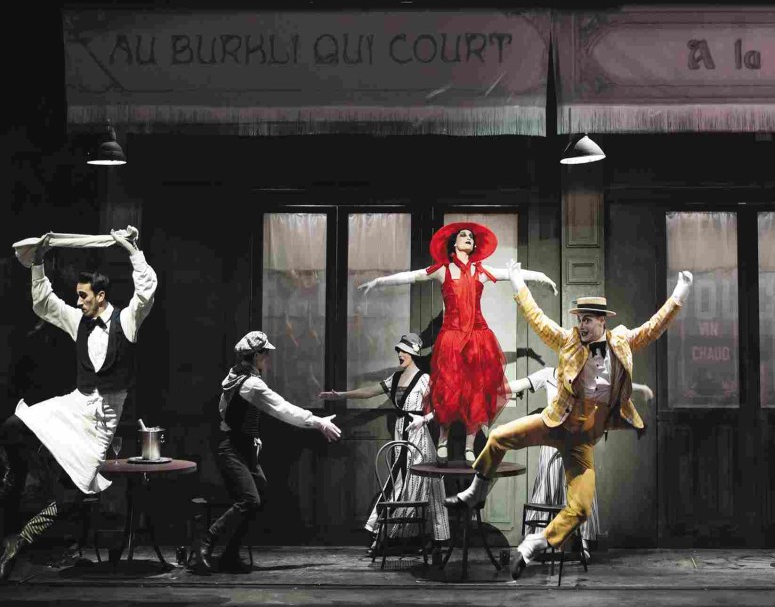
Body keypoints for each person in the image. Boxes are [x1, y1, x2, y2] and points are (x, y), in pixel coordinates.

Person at [446, 261, 693, 580]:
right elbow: (538, 320)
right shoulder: (569, 341)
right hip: (556, 424)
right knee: (498, 437)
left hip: (583, 440)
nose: (582, 325)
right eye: (579, 319)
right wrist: (518, 281)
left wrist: (681, 290)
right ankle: (476, 492)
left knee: (581, 508)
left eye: (587, 319)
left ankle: (534, 544)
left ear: (602, 321)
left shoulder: (621, 342)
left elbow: (654, 327)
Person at [0, 227, 157, 580]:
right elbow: (45, 304)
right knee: (12, 427)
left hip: (101, 424)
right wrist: (38, 263)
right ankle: (19, 477)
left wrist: (133, 251)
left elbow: (146, 291)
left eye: (84, 296)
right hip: (74, 405)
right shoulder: (78, 321)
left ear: (101, 296)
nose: (78, 302)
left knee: (73, 497)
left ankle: (18, 542)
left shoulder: (127, 321)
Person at [358, 222, 557, 465]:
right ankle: (443, 440)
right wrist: (379, 282)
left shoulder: (480, 270)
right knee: (447, 388)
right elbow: (412, 276)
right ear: (454, 243)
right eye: (463, 235)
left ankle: (469, 445)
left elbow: (512, 275)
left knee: (476, 391)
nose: (468, 238)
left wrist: (542, 277)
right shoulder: (442, 270)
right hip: (451, 337)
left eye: (471, 236)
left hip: (477, 337)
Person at [192, 331, 341, 574]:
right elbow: (282, 409)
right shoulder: (251, 383)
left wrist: (252, 436)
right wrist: (318, 422)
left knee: (259, 497)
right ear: (256, 356)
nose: (268, 359)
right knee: (250, 500)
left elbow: (228, 411)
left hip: (243, 446)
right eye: (266, 354)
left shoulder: (237, 375)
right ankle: (205, 541)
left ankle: (230, 555)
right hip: (232, 448)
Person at [508, 367, 654, 561]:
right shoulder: (548, 374)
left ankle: (583, 541)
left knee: (581, 490)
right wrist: (494, 387)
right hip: (553, 443)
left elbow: (616, 387)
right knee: (546, 490)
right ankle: (536, 540)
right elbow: (519, 384)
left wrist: (641, 388)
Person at [319, 333, 450, 548]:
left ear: (414, 353)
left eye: (404, 351)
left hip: (418, 436)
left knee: (420, 482)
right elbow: (369, 391)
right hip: (401, 432)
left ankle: (411, 534)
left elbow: (443, 406)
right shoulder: (395, 378)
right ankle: (390, 533)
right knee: (402, 479)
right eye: (399, 350)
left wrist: (424, 419)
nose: (400, 354)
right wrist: (340, 395)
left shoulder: (424, 379)